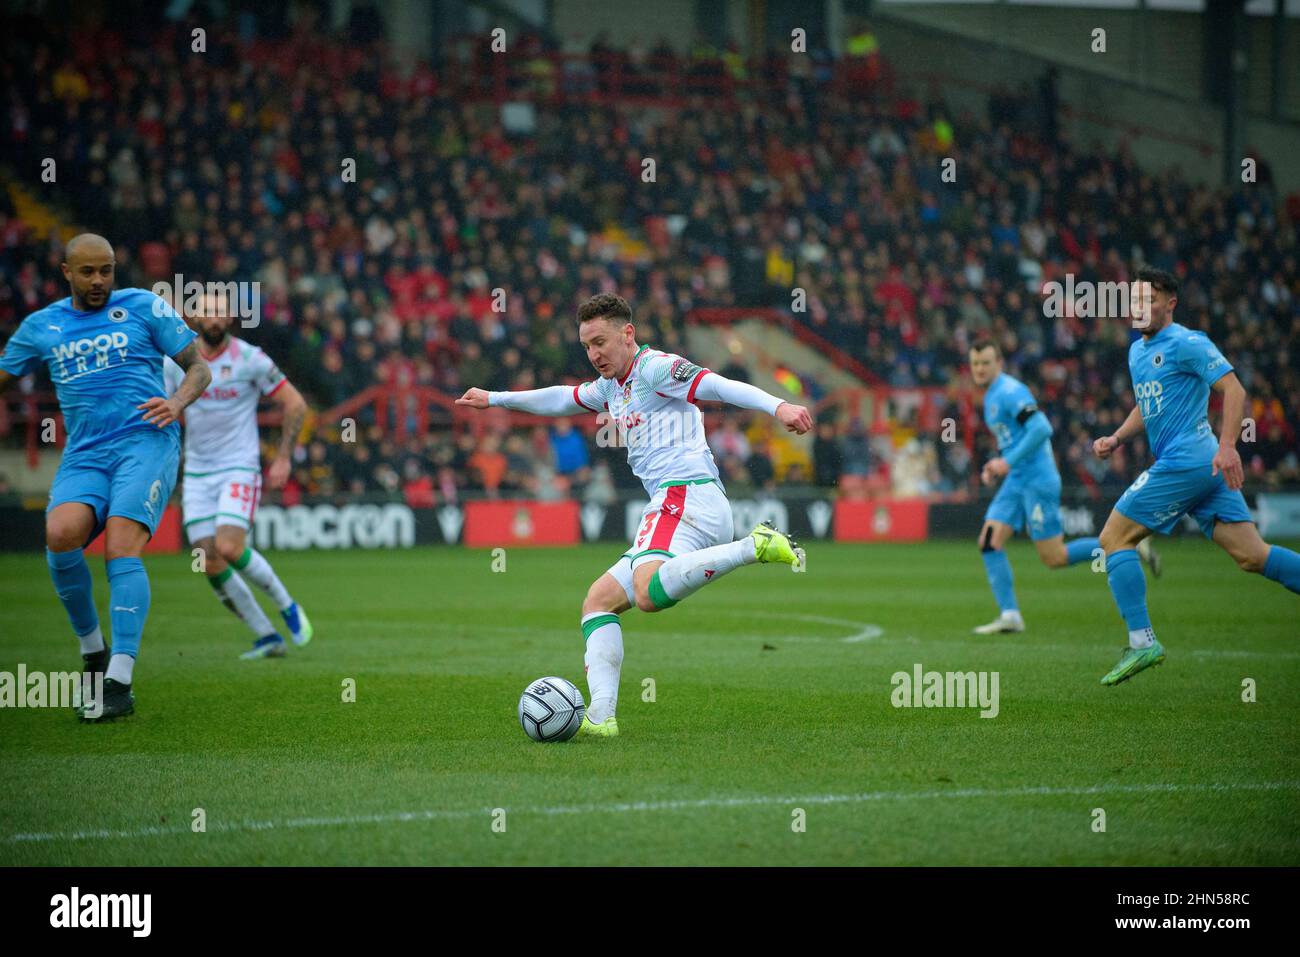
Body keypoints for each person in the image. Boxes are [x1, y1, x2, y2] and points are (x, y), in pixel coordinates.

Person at [457, 293, 812, 737]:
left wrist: (778, 405)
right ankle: (601, 717)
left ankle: (752, 546)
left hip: (683, 497)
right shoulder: (612, 387)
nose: (594, 354)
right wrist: (494, 398)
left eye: (601, 342)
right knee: (598, 603)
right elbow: (561, 399)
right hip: (679, 504)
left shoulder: (655, 369)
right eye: (587, 346)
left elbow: (718, 385)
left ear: (628, 334)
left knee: (645, 594)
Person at [0, 234, 211, 720]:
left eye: (107, 271)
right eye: (88, 272)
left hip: (147, 440)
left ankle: (117, 681)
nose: (99, 281)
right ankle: (93, 652)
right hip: (86, 454)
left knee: (120, 545)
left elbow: (198, 369)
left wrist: (176, 402)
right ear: (66, 272)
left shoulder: (142, 307)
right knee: (59, 534)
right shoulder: (42, 326)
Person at [1092, 268, 1300, 685]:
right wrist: (1117, 437)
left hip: (1189, 460)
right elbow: (1146, 407)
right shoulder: (1137, 353)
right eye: (1135, 300)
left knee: (1113, 539)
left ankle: (1142, 642)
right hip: (1203, 468)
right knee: (1252, 556)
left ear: (1170, 304)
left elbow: (1235, 390)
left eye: (1150, 299)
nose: (1140, 307)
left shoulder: (1188, 342)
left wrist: (1228, 448)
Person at [968, 338, 1156, 634]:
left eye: (986, 363)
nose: (979, 368)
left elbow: (1042, 428)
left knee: (1054, 557)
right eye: (975, 363)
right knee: (989, 542)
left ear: (999, 363)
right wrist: (1001, 464)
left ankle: (1121, 545)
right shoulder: (991, 396)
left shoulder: (1009, 391)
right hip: (1017, 478)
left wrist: (1005, 462)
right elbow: (1016, 438)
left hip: (1038, 480)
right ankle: (1010, 615)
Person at [164, 291, 313, 659]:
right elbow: (162, 409)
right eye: (206, 313)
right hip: (198, 472)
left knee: (229, 547)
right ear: (194, 318)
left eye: (220, 313)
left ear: (230, 317)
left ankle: (287, 605)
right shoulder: (177, 362)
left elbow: (295, 403)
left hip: (239, 466)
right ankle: (266, 636)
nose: (213, 319)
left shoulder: (250, 359)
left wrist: (283, 458)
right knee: (208, 559)